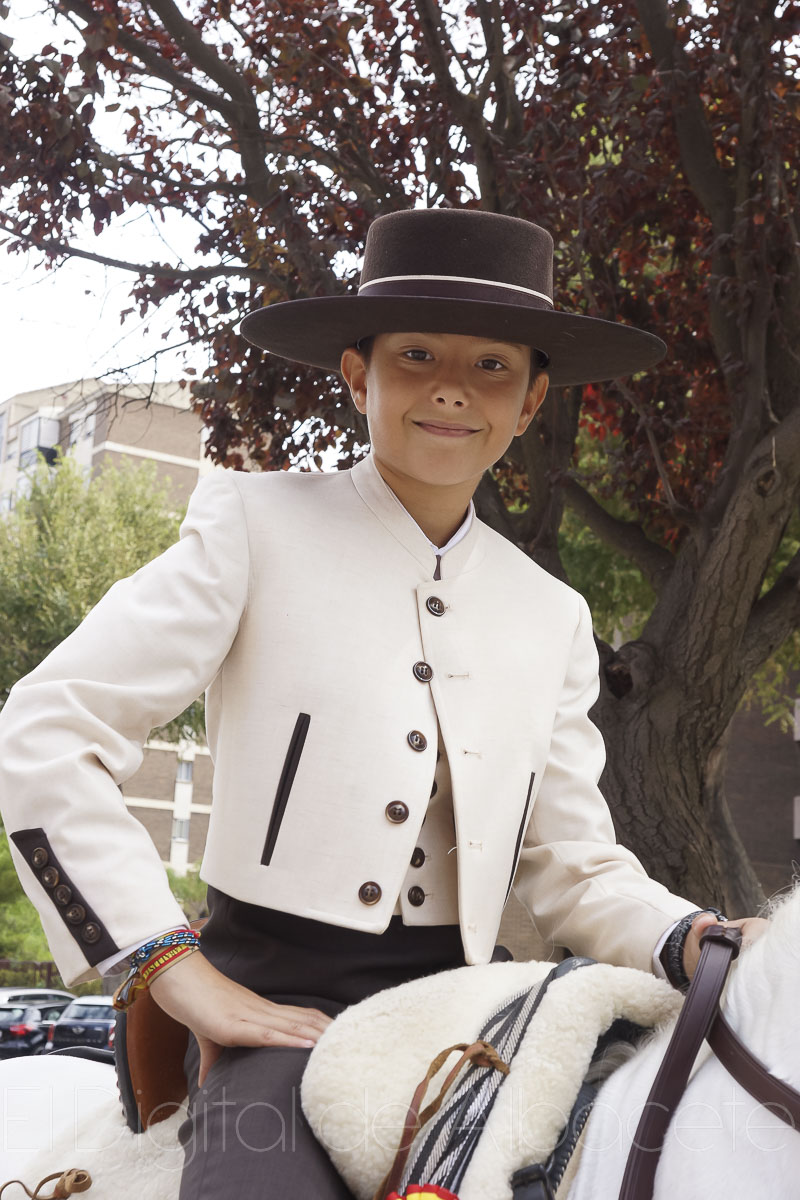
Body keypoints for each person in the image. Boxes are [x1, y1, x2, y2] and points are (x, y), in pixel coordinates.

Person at [0, 208, 766, 1197]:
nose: (451, 387)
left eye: (491, 366)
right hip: (273, 1005)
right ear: (358, 377)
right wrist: (172, 968)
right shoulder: (253, 526)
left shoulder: (553, 614)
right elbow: (48, 727)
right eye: (416, 356)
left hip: (470, 1008)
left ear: (531, 402)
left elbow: (570, 862)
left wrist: (689, 935)